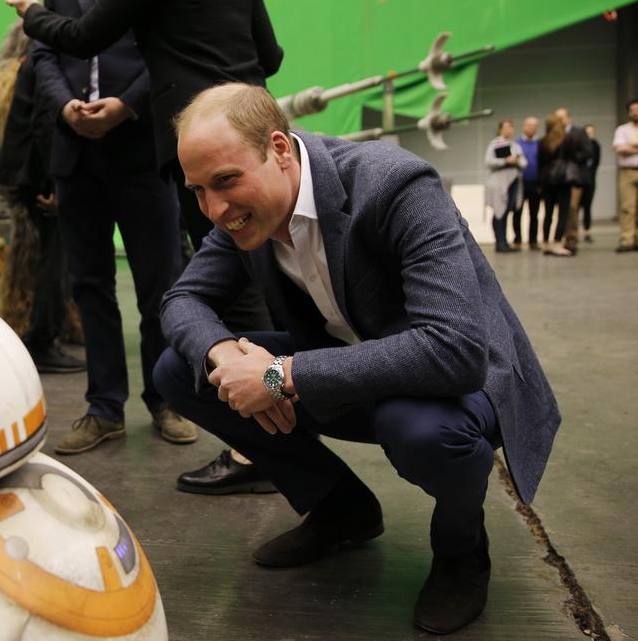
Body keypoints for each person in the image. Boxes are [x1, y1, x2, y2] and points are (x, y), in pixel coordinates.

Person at [154, 84, 560, 635]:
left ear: (279, 149)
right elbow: (183, 300)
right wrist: (225, 354)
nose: (214, 209)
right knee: (184, 369)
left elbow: (455, 348)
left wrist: (280, 374)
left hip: (461, 379)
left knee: (420, 430)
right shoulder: (243, 212)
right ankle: (342, 508)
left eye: (225, 181)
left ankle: (462, 551)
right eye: (198, 190)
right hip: (349, 364)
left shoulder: (393, 183)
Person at [8, 0, 282, 492]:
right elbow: (271, 56)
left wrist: (33, 15)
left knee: (229, 297)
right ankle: (272, 437)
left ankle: (257, 451)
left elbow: (83, 35)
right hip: (255, 135)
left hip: (203, 145)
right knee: (259, 287)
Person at [30, 0, 194, 453]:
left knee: (160, 285)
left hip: (141, 150)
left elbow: (171, 52)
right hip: (76, 154)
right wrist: (65, 106)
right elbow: (43, 55)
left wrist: (126, 105)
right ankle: (105, 410)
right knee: (90, 285)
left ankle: (165, 398)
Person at [0, 21, 85, 374]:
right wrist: (55, 183)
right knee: (52, 259)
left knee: (38, 256)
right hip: (40, 179)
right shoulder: (47, 66)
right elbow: (45, 126)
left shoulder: (23, 67)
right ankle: (43, 339)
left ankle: (43, 333)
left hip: (26, 176)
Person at [484, 119, 526, 253]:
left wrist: (516, 160)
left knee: (507, 211)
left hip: (512, 182)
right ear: (500, 129)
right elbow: (489, 161)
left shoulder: (516, 146)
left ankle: (505, 242)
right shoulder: (495, 144)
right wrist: (506, 160)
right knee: (499, 211)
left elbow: (524, 163)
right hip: (499, 183)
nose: (509, 130)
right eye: (506, 127)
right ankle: (500, 242)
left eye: (511, 127)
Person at [555, 106, 593, 253]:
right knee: (561, 209)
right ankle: (558, 238)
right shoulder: (555, 134)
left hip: (575, 177)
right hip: (559, 178)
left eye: (562, 117)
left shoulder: (578, 132)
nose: (560, 121)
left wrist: (573, 157)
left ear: (568, 118)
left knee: (572, 208)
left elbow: (588, 152)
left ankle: (571, 239)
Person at [538, 113, 571, 255]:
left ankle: (546, 243)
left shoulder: (542, 141)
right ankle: (558, 242)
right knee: (563, 213)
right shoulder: (567, 140)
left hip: (547, 181)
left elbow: (540, 162)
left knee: (548, 213)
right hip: (562, 180)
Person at [511, 116, 542, 250]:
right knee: (517, 212)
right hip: (520, 183)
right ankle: (517, 239)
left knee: (534, 214)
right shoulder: (516, 144)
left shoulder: (540, 144)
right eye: (529, 125)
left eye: (534, 126)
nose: (531, 128)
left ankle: (533, 241)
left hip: (535, 183)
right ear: (524, 126)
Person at [613, 99, 638, 252]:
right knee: (627, 207)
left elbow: (627, 147)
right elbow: (620, 149)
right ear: (629, 112)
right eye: (633, 110)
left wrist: (631, 146)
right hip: (627, 173)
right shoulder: (622, 130)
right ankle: (627, 240)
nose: (636, 113)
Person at [579, 124, 601, 243]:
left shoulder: (596, 145)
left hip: (590, 180)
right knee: (575, 207)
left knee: (587, 206)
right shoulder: (578, 145)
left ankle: (587, 232)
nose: (589, 134)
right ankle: (573, 232)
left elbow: (596, 163)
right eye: (587, 132)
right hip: (578, 181)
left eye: (591, 132)